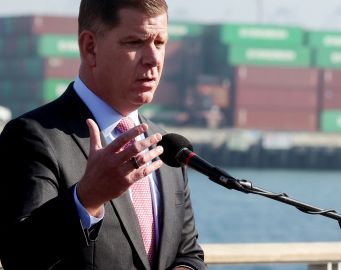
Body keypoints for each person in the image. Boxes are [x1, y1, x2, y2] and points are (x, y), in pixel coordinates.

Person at [0, 0, 207, 269]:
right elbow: (19, 257)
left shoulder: (165, 145)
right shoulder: (33, 137)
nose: (153, 58)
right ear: (90, 48)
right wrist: (87, 198)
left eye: (160, 43)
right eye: (135, 42)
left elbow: (189, 254)